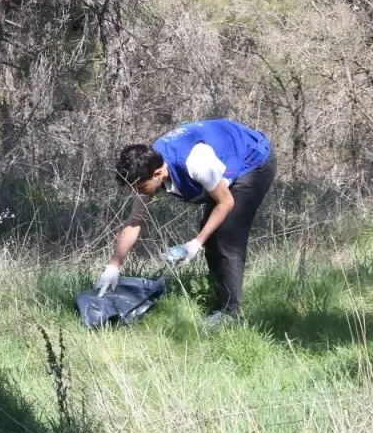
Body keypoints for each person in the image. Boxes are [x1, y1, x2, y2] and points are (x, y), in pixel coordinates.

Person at [99, 118, 276, 328]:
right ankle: (219, 301)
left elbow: (226, 202)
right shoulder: (146, 168)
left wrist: (196, 244)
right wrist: (114, 265)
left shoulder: (196, 164)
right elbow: (134, 222)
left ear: (158, 174)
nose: (138, 193)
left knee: (226, 236)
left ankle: (231, 314)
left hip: (252, 160)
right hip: (222, 161)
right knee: (211, 233)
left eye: (141, 188)